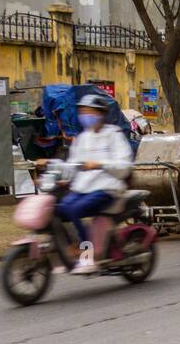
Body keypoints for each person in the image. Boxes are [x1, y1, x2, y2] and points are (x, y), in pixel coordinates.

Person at [54, 93, 133, 274]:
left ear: (101, 114)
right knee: (59, 209)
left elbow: (124, 165)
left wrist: (100, 164)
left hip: (107, 188)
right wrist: (53, 169)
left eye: (90, 111)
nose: (86, 115)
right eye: (83, 111)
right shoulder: (83, 138)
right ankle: (71, 251)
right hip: (84, 188)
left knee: (75, 210)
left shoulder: (114, 135)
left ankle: (87, 256)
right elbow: (73, 164)